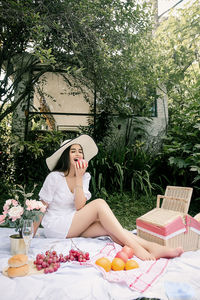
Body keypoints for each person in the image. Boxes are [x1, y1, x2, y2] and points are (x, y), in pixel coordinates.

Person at [36, 134, 184, 261]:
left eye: (80, 151)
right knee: (99, 203)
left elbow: (79, 207)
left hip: (74, 221)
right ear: (65, 156)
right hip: (56, 226)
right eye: (72, 151)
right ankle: (136, 248)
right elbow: (41, 208)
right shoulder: (54, 177)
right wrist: (28, 235)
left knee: (109, 228)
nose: (78, 154)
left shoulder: (85, 176)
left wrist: (79, 178)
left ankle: (154, 247)